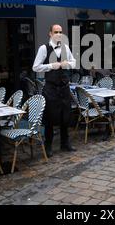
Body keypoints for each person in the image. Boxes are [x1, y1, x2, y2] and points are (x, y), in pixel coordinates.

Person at [32, 24, 76, 157]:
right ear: (50, 34)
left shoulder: (66, 48)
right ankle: (48, 145)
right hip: (50, 88)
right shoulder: (43, 48)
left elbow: (74, 62)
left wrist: (66, 64)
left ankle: (65, 143)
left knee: (65, 116)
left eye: (60, 32)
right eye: (56, 32)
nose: (58, 34)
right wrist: (51, 65)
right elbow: (36, 67)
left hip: (64, 88)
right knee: (50, 118)